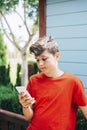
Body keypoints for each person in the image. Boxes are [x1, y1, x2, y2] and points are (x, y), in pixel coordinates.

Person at [18, 36, 87, 130]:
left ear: (57, 56)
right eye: (37, 60)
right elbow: (29, 117)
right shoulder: (33, 80)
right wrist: (25, 106)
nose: (40, 64)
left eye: (44, 58)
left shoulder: (73, 82)